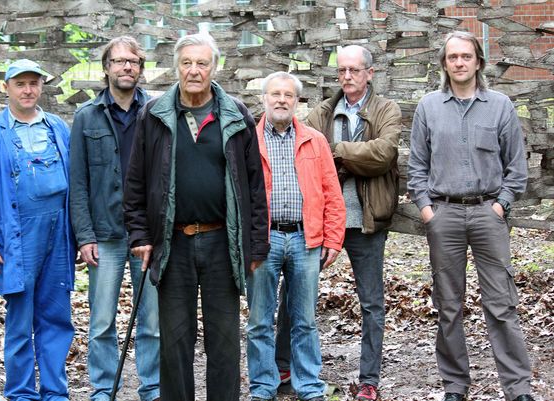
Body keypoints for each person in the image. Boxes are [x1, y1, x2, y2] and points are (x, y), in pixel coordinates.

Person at [123, 32, 269, 401]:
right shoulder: (154, 114)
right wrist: (140, 236)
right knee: (175, 341)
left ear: (214, 68)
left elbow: (254, 186)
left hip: (223, 242)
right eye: (186, 63)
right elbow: (136, 181)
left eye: (201, 63)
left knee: (223, 341)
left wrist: (256, 245)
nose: (193, 71)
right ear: (177, 66)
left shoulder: (236, 114)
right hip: (172, 243)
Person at [407, 31, 535, 401]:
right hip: (443, 215)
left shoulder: (500, 105)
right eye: (452, 57)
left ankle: (518, 388)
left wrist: (501, 205)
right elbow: (416, 166)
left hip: (487, 213)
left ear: (478, 61)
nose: (459, 63)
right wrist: (428, 210)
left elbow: (516, 167)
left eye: (466, 56)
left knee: (501, 304)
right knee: (448, 306)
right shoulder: (429, 107)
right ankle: (455, 386)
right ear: (445, 64)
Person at [273, 45, 401, 401]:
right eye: (342, 70)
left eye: (354, 71)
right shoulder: (322, 112)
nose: (347, 77)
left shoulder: (386, 109)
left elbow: (383, 153)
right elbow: (307, 155)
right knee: (294, 296)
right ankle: (283, 366)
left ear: (369, 73)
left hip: (366, 221)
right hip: (323, 219)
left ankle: (369, 380)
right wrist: (347, 156)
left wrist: (338, 151)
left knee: (372, 302)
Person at [0, 59, 75, 401]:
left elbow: (78, 184)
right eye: (20, 84)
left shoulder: (57, 127)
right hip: (16, 235)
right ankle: (21, 393)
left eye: (34, 83)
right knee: (20, 319)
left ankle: (55, 392)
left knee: (57, 316)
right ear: (6, 88)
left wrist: (80, 236)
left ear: (41, 87)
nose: (28, 90)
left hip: (58, 232)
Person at [69, 36, 159, 401]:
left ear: (140, 69)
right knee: (102, 320)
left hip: (147, 234)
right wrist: (84, 235)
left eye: (133, 62)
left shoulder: (155, 112)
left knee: (151, 320)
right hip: (104, 236)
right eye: (119, 61)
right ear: (106, 67)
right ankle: (104, 388)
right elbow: (77, 183)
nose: (126, 67)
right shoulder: (86, 116)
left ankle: (152, 386)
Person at [246, 72, 346, 401]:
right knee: (260, 320)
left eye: (288, 95)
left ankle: (308, 386)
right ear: (264, 99)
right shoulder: (249, 139)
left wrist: (332, 239)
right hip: (264, 239)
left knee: (305, 320)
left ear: (296, 101)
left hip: (305, 240)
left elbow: (332, 193)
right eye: (275, 94)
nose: (281, 100)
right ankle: (262, 387)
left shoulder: (314, 140)